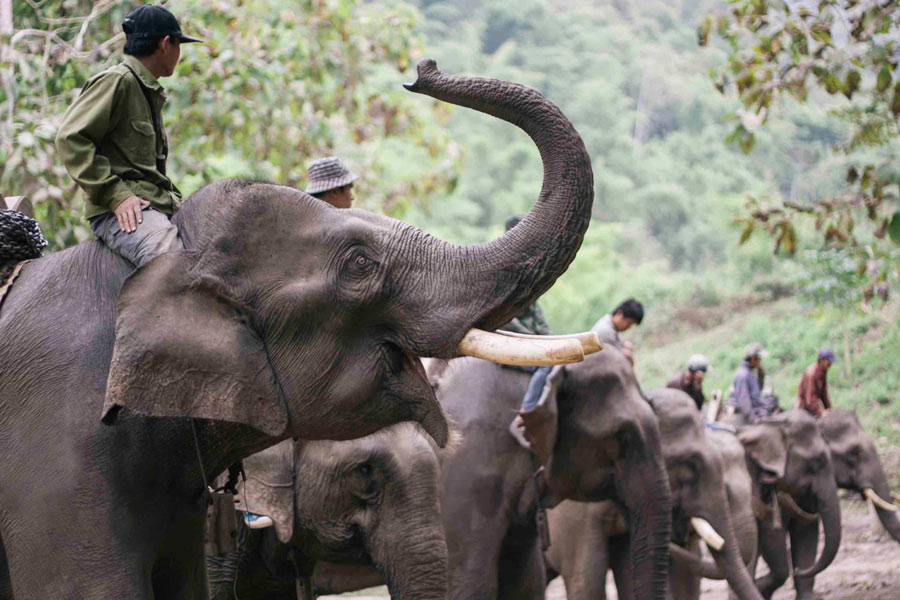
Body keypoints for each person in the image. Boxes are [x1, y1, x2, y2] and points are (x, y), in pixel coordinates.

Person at [55, 4, 201, 268]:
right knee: (172, 264)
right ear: (166, 44)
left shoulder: (146, 89)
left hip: (155, 204)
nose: (180, 54)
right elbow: (70, 138)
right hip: (121, 213)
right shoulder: (118, 81)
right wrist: (116, 195)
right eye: (180, 44)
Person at [501, 215, 557, 462]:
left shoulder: (527, 270)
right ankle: (523, 415)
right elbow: (502, 316)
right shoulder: (502, 270)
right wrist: (533, 339)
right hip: (508, 340)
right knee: (547, 364)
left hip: (529, 341)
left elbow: (536, 311)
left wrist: (547, 338)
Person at [729, 343, 775, 423]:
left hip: (758, 407)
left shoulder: (749, 373)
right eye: (759, 359)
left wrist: (761, 376)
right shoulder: (743, 375)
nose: (760, 362)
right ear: (753, 359)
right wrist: (754, 419)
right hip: (754, 412)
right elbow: (744, 401)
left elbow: (756, 391)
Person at [590, 298, 644, 363]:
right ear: (619, 314)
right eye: (629, 323)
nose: (628, 327)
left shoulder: (612, 325)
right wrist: (627, 355)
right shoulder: (606, 330)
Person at [795, 347, 836, 418]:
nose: (830, 364)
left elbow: (824, 393)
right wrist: (821, 412)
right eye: (829, 362)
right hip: (804, 409)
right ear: (822, 360)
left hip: (813, 407)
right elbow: (810, 400)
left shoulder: (823, 371)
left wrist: (829, 408)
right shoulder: (811, 374)